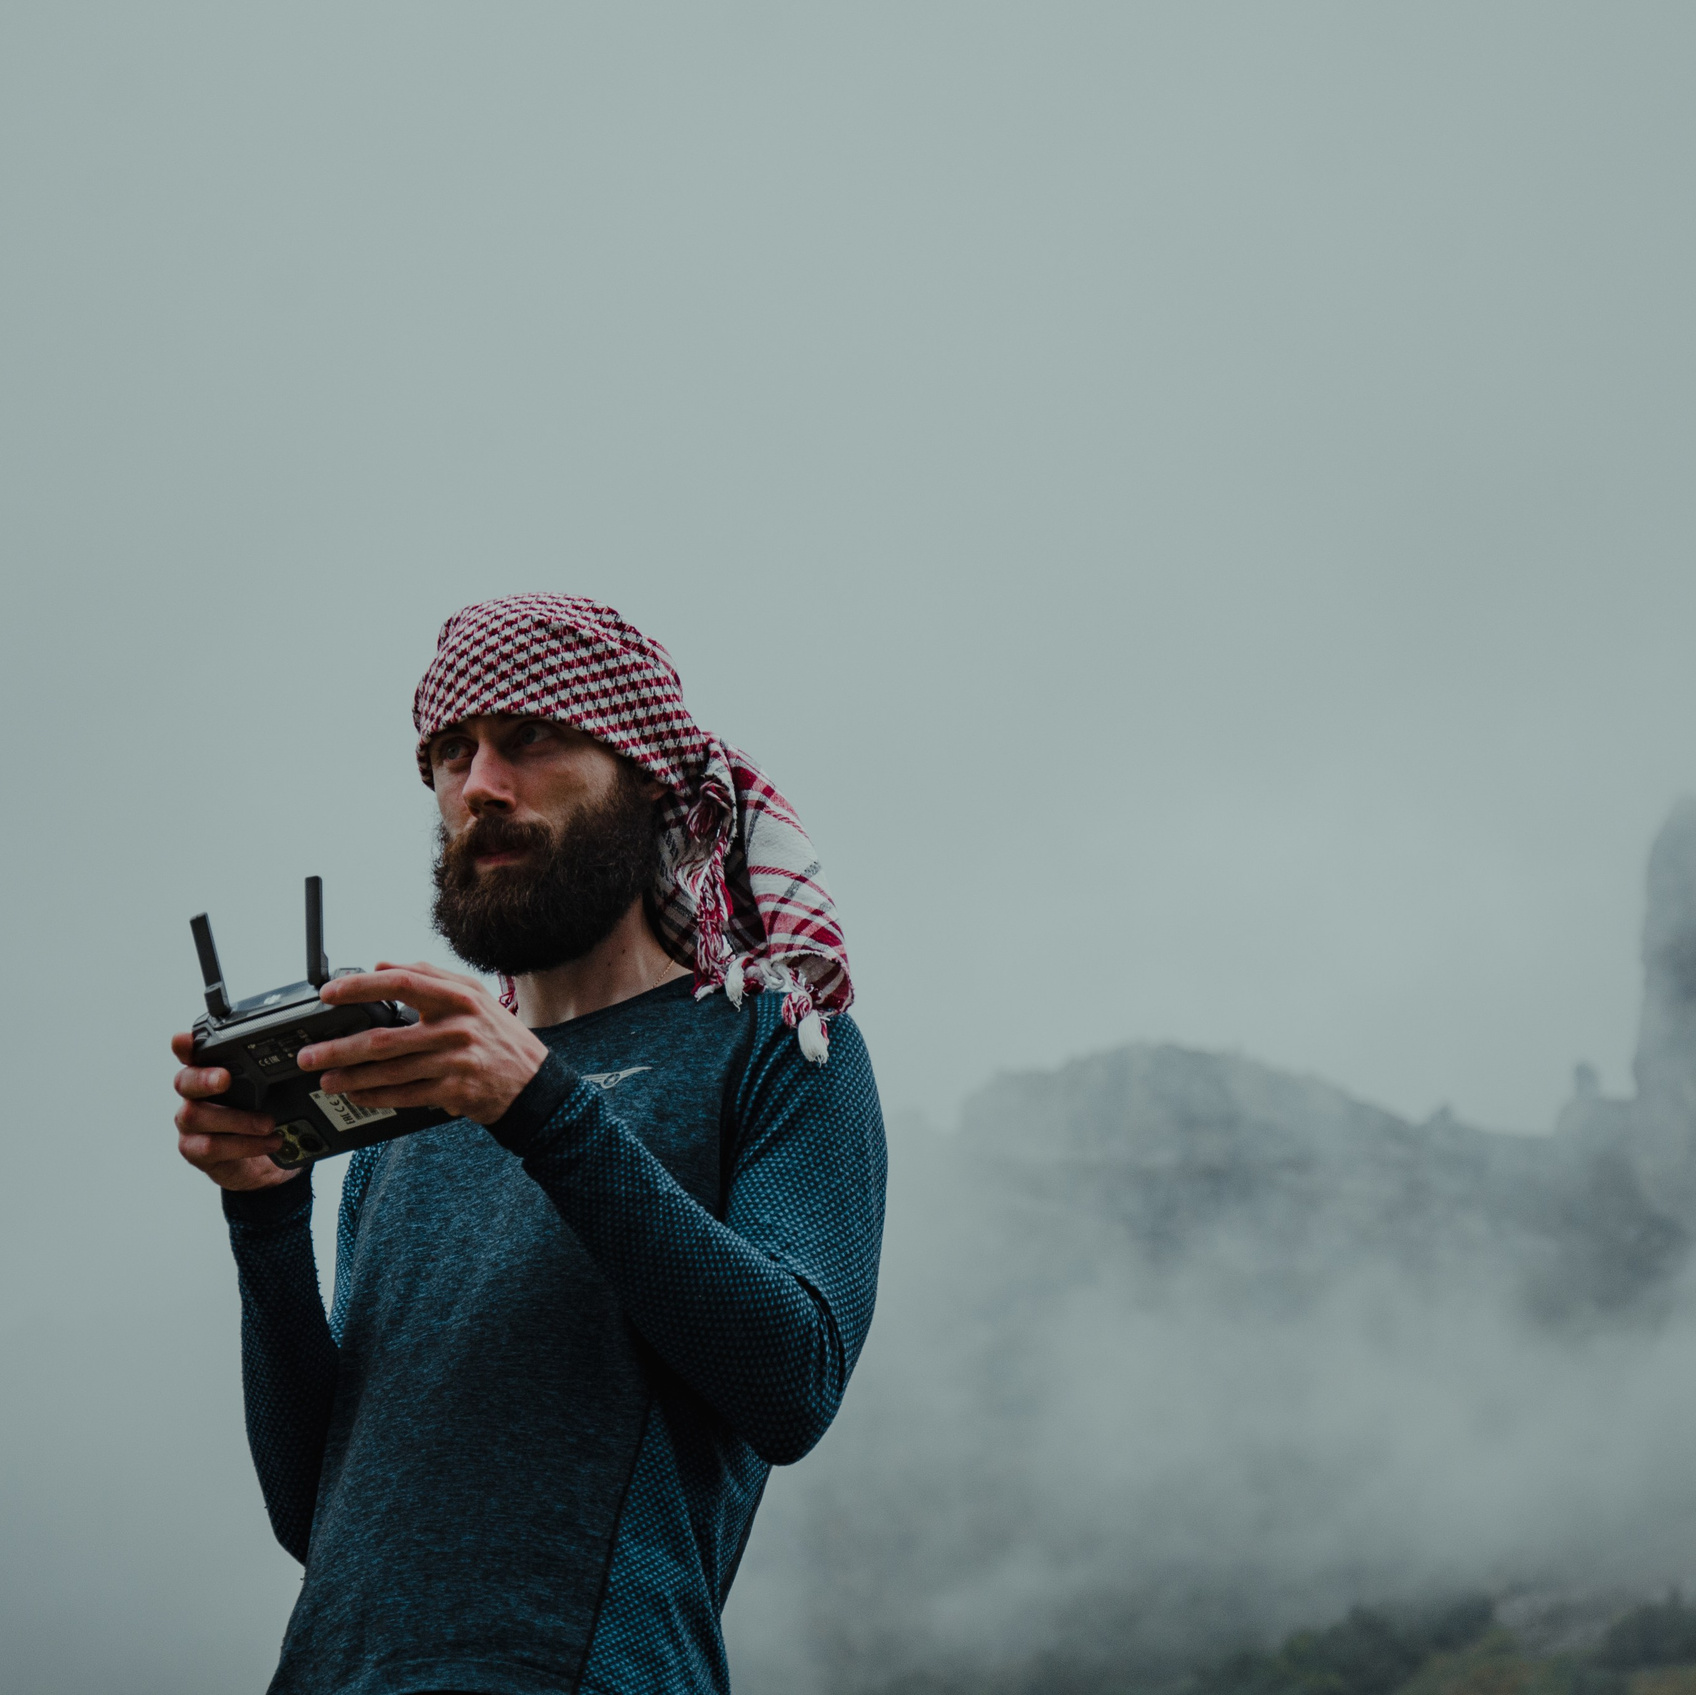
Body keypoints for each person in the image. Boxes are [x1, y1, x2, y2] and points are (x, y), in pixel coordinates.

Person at [172, 594, 886, 1695]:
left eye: (531, 740)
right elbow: (320, 1516)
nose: (480, 787)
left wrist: (540, 1110)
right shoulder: (416, 1104)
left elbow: (792, 1383)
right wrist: (265, 1214)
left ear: (650, 779)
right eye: (451, 754)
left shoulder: (773, 1043)